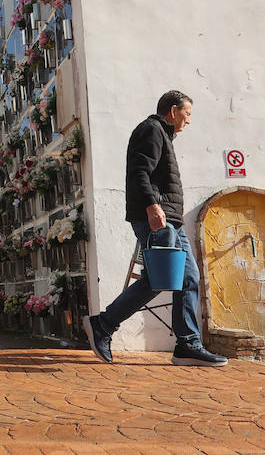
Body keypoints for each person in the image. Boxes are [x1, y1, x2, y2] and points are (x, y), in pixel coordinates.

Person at [83, 91, 228, 367]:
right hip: (158, 219)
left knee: (182, 278)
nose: (188, 121)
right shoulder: (151, 130)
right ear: (173, 111)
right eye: (187, 114)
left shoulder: (161, 134)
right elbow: (139, 171)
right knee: (163, 278)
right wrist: (152, 207)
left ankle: (186, 344)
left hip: (169, 219)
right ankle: (104, 324)